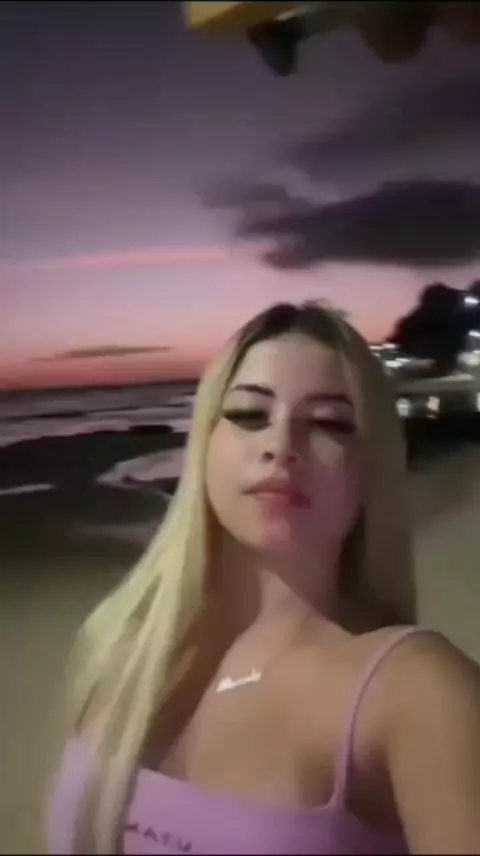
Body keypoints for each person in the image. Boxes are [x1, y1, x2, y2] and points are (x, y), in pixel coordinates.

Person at [47, 301, 480, 855]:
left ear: (372, 466)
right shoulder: (119, 647)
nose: (281, 446)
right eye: (249, 414)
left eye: (329, 422)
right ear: (205, 444)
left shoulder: (414, 693)